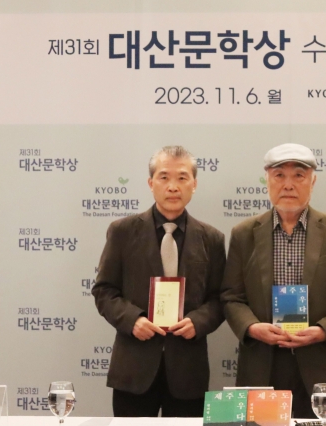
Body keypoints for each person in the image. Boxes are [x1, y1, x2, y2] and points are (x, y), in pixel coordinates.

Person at [221, 143, 326, 418]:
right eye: (279, 175)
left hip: (321, 365)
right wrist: (252, 327)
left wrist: (323, 330)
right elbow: (231, 297)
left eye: (299, 176)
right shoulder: (244, 233)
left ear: (313, 181)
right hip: (262, 365)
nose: (288, 185)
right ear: (267, 180)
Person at [92, 146, 226, 417]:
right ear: (151, 183)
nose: (173, 187)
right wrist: (133, 320)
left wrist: (198, 322)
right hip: (134, 368)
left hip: (188, 370)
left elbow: (221, 298)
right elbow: (104, 290)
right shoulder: (122, 232)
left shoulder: (211, 238)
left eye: (182, 178)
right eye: (164, 177)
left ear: (194, 184)